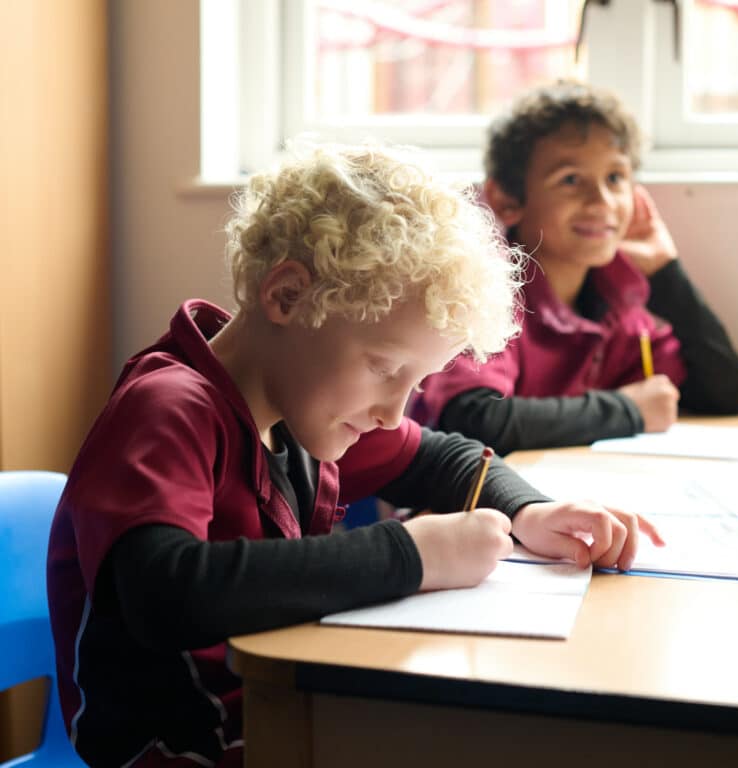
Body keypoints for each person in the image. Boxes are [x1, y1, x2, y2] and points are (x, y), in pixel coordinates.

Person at [47, 142, 662, 768]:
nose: (394, 411)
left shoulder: (297, 405)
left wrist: (530, 512)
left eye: (415, 382)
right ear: (287, 297)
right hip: (187, 751)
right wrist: (412, 556)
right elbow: (166, 592)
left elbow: (444, 459)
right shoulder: (169, 408)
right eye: (384, 368)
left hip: (284, 712)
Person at [411, 80, 738, 453]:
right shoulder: (484, 295)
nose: (601, 200)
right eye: (571, 180)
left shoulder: (618, 299)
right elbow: (473, 418)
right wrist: (628, 410)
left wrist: (664, 270)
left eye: (615, 178)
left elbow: (725, 394)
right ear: (506, 199)